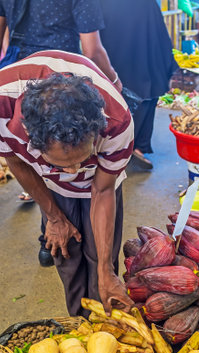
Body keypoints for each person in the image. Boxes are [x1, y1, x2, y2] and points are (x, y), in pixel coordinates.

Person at [0, 50, 135, 317]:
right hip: (48, 184)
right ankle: (80, 323)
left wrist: (106, 271)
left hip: (101, 181)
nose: (73, 172)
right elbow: (17, 162)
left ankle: (104, 325)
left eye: (80, 158)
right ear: (30, 137)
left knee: (101, 259)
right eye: (63, 164)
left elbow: (102, 189)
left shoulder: (117, 121)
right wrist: (53, 216)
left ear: (96, 130)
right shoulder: (3, 105)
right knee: (66, 253)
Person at [0, 0, 122, 267]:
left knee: (48, 165)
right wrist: (112, 80)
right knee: (68, 165)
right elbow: (92, 49)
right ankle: (57, 229)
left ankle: (49, 238)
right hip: (70, 82)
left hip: (21, 76)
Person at [98, 0, 178, 170]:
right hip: (141, 53)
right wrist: (167, 65)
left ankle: (118, 149)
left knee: (117, 98)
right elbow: (159, 33)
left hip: (115, 55)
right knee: (146, 92)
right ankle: (137, 146)